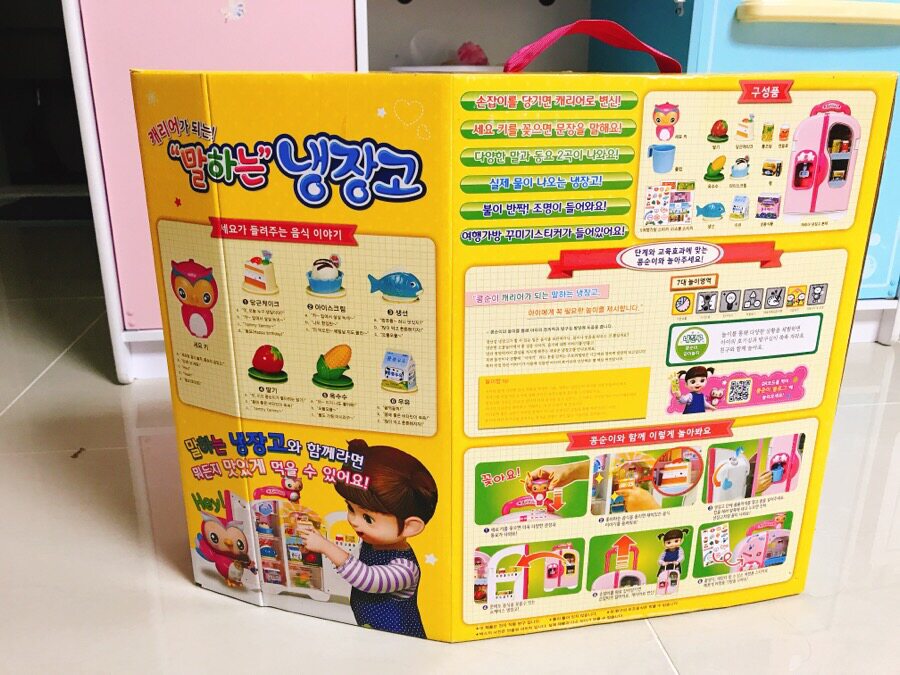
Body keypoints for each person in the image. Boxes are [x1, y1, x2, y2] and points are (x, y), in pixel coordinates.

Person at [296, 439, 438, 639]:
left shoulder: (406, 569)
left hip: (400, 639)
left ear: (409, 526)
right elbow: (351, 564)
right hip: (370, 632)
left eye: (368, 518)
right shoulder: (371, 545)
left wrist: (325, 547)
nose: (354, 521)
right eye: (350, 508)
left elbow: (368, 579)